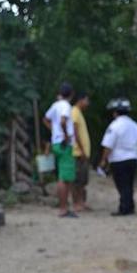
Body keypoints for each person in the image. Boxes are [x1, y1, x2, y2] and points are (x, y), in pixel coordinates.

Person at [98, 98, 137, 216]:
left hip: (119, 159)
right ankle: (130, 206)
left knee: (122, 185)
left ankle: (124, 208)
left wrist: (103, 160)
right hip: (133, 158)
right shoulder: (136, 126)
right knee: (129, 184)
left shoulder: (114, 126)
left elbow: (108, 145)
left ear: (115, 112)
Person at [43, 82, 76, 217]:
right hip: (64, 144)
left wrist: (54, 131)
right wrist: (65, 135)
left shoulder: (55, 105)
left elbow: (45, 119)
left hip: (56, 142)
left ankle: (64, 207)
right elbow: (63, 121)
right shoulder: (66, 106)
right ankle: (63, 209)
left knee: (63, 175)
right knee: (64, 177)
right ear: (71, 94)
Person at [71, 92, 91, 212]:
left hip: (82, 152)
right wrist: (82, 149)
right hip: (78, 152)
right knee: (77, 180)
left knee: (83, 179)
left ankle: (82, 202)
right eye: (87, 100)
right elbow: (74, 131)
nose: (88, 103)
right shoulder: (74, 112)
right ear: (81, 100)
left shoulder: (79, 113)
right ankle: (77, 203)